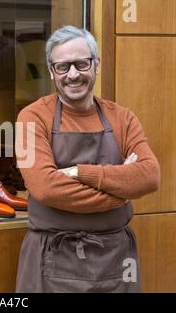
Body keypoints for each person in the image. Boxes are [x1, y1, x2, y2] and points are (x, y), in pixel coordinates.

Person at [15, 25, 160, 292]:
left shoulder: (123, 118)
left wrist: (77, 172)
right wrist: (120, 194)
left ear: (96, 65)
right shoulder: (31, 118)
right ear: (51, 71)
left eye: (81, 64)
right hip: (51, 257)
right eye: (63, 66)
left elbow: (150, 176)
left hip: (117, 259)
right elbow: (45, 189)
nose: (73, 75)